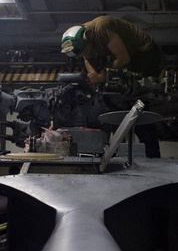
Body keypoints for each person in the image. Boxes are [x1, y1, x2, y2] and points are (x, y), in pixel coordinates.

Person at [61, 16, 162, 157]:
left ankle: (153, 154)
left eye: (85, 50)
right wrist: (94, 75)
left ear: (87, 38)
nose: (85, 54)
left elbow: (123, 59)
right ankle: (114, 152)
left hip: (144, 54)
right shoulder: (82, 38)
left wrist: (103, 76)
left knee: (135, 98)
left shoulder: (101, 29)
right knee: (114, 98)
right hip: (128, 56)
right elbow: (86, 58)